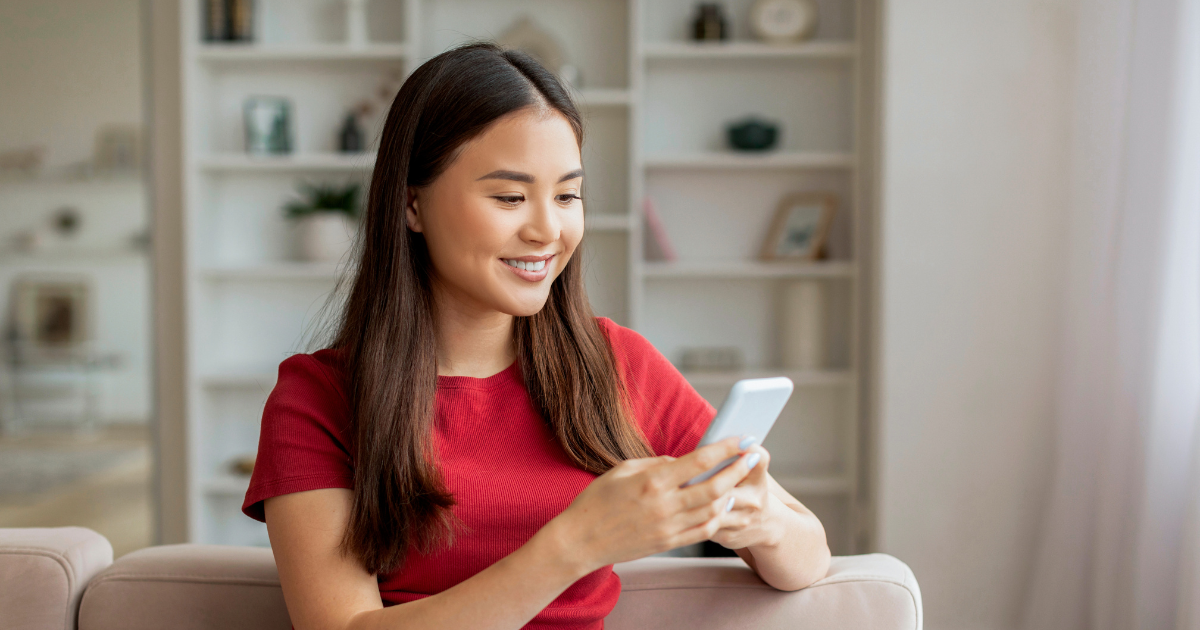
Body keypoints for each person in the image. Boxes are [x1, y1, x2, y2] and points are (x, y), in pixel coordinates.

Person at [241, 42, 831, 630]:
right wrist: (575, 543)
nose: (548, 230)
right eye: (510, 197)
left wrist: (761, 520)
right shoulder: (318, 399)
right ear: (412, 206)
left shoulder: (614, 362)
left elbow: (809, 556)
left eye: (567, 195)